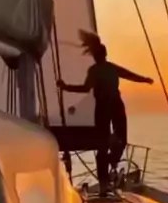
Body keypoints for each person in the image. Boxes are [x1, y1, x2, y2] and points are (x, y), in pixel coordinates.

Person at [57, 31, 153, 193]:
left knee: (115, 141)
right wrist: (66, 87)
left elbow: (128, 75)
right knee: (108, 143)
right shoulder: (98, 70)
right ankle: (105, 177)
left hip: (111, 106)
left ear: (100, 55)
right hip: (107, 106)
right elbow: (87, 88)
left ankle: (107, 169)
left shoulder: (106, 69)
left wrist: (144, 79)